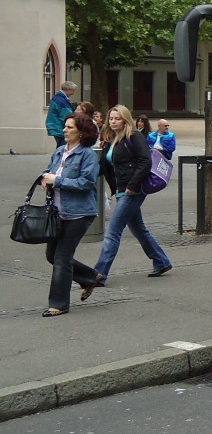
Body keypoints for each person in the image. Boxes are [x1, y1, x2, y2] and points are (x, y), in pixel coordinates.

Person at [92, 105, 173, 281]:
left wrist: (133, 185)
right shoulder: (111, 138)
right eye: (111, 118)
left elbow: (145, 161)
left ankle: (99, 274)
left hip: (133, 190)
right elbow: (106, 165)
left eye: (117, 118)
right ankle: (161, 261)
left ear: (125, 119)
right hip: (122, 189)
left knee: (113, 231)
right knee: (139, 229)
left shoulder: (134, 136)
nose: (113, 121)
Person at [36, 113, 105, 317]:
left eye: (69, 127)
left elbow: (86, 183)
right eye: (65, 127)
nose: (64, 130)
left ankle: (59, 304)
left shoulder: (87, 155)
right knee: (52, 255)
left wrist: (56, 181)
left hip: (80, 213)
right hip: (58, 212)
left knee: (62, 258)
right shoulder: (59, 151)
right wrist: (43, 178)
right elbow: (50, 170)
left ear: (82, 133)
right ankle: (90, 277)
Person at [45, 80, 76, 147]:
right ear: (68, 89)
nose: (73, 93)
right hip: (59, 128)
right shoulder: (62, 101)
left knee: (61, 146)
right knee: (63, 147)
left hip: (56, 127)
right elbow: (65, 116)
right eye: (72, 90)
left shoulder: (58, 99)